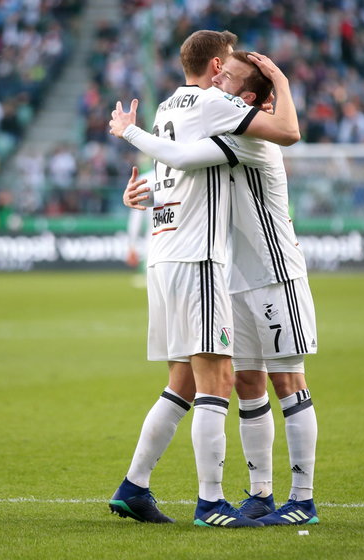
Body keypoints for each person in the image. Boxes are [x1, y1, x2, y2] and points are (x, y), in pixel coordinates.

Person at [112, 50, 319, 526]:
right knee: (247, 382)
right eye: (218, 70)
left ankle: (302, 500)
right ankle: (262, 494)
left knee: (287, 381)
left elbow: (183, 156)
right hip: (233, 278)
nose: (217, 79)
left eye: (227, 77)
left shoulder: (246, 137)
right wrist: (146, 194)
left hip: (275, 273)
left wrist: (130, 132)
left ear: (247, 97)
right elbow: (185, 175)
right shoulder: (221, 123)